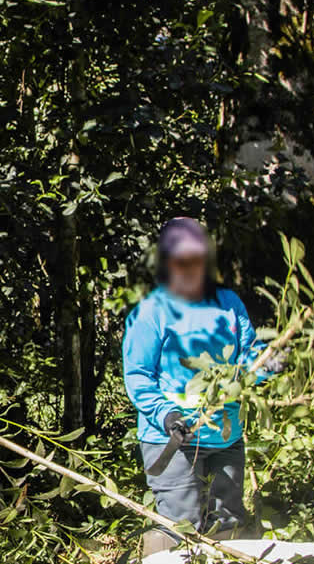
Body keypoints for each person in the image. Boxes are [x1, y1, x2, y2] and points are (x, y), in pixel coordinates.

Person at [121, 217, 280, 555]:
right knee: (180, 532)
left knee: (230, 524)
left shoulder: (229, 304)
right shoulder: (151, 312)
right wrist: (167, 415)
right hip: (173, 441)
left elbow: (248, 361)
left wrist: (269, 363)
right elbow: (137, 374)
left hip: (226, 435)